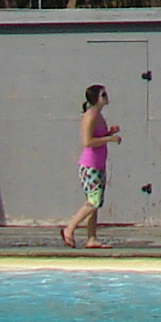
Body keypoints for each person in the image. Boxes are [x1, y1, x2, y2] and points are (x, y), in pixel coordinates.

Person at [60, 84, 120, 249]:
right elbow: (87, 142)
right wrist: (109, 139)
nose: (106, 97)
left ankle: (91, 238)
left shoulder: (99, 116)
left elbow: (97, 136)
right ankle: (69, 229)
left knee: (95, 202)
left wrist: (109, 133)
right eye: (103, 94)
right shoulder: (90, 116)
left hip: (99, 164)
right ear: (96, 98)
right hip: (90, 165)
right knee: (93, 202)